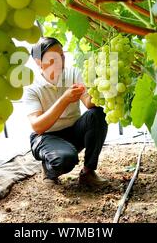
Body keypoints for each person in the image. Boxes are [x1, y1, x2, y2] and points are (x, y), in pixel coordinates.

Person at [22, 37, 108, 187]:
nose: (60, 61)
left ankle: (88, 173)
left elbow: (89, 102)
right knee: (65, 159)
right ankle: (49, 170)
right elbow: (38, 127)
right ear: (38, 62)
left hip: (73, 132)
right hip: (46, 138)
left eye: (61, 55)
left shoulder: (73, 74)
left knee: (97, 113)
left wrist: (106, 85)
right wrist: (64, 100)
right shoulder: (32, 87)